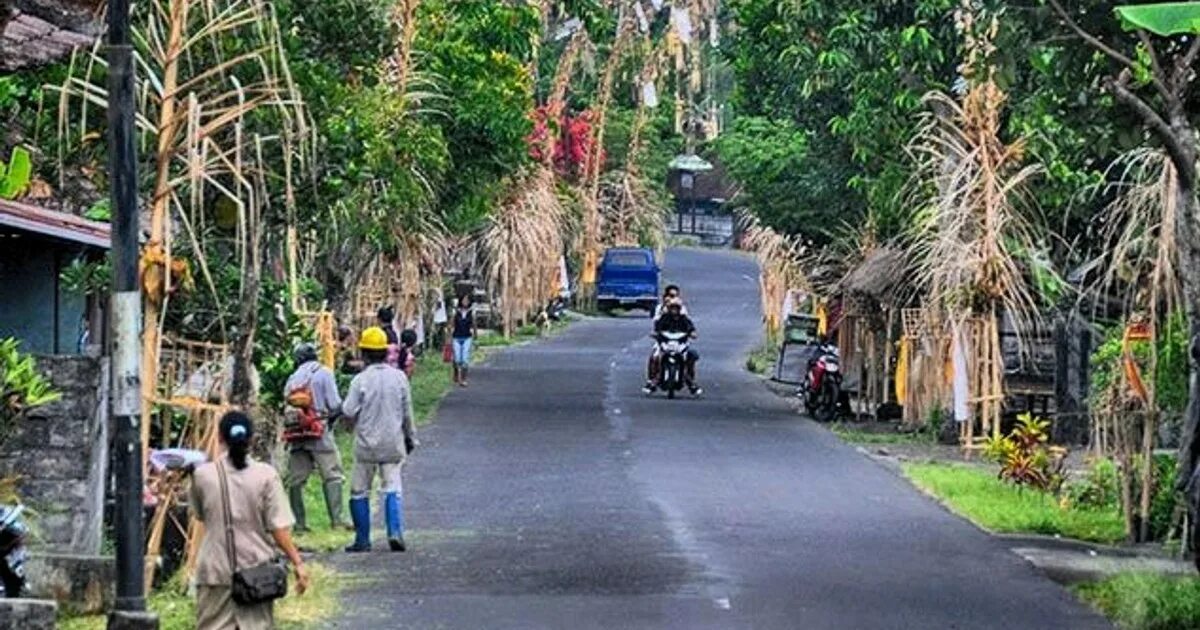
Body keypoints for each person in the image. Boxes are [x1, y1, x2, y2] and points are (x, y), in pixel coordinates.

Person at [190, 412, 309, 630]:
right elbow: (278, 528)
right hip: (256, 574)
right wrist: (298, 563)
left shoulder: (202, 475)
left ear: (219, 438)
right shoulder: (266, 475)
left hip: (215, 572)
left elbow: (200, 516)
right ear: (251, 438)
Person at [341, 326, 417, 553]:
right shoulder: (400, 378)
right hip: (392, 442)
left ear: (363, 353)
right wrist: (411, 437)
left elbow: (348, 409)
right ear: (385, 351)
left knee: (359, 490)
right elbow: (407, 412)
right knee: (392, 486)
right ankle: (394, 532)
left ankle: (362, 539)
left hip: (366, 445)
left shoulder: (360, 380)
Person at [283, 343, 351, 532]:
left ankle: (299, 524)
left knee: (296, 479)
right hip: (318, 430)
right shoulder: (324, 373)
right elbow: (335, 403)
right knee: (332, 474)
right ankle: (337, 521)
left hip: (296, 432)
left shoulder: (292, 379)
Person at [644, 298, 702, 396]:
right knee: (655, 357)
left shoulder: (684, 319)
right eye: (672, 308)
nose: (674, 310)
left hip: (680, 345)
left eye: (676, 308)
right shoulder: (664, 318)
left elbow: (692, 330)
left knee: (691, 356)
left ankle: (691, 383)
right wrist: (655, 334)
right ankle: (653, 381)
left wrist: (692, 333)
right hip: (665, 344)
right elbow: (657, 329)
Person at [646, 285, 687, 386]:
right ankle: (652, 379)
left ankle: (687, 378)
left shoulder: (682, 309)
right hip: (664, 339)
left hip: (679, 339)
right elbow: (657, 324)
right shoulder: (660, 309)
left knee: (688, 357)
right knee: (654, 357)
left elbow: (687, 324)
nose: (672, 298)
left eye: (675, 296)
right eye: (671, 295)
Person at [450, 295, 477, 387]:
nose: (465, 302)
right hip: (456, 337)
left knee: (465, 359)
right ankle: (456, 373)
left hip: (467, 337)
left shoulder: (471, 313)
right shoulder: (456, 312)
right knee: (457, 359)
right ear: (460, 301)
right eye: (464, 300)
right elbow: (451, 325)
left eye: (467, 300)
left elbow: (474, 325)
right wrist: (448, 337)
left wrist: (476, 336)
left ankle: (464, 379)